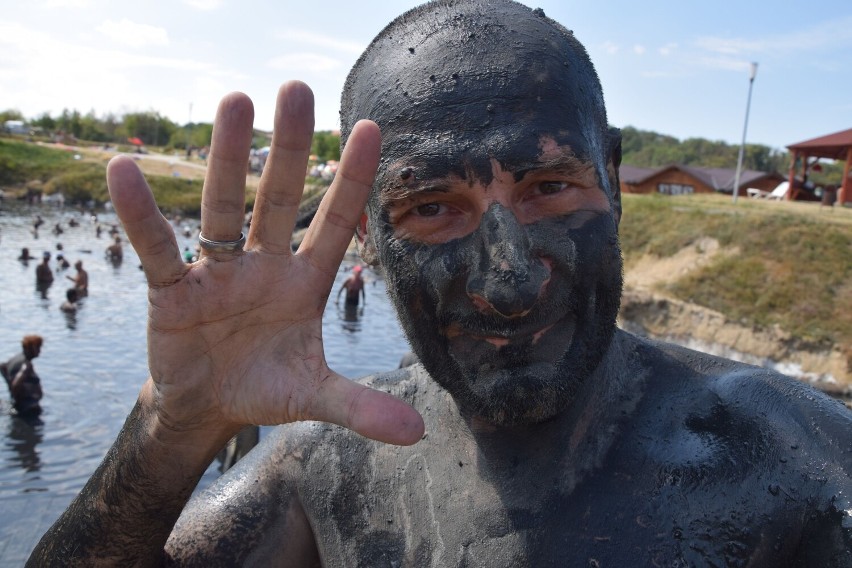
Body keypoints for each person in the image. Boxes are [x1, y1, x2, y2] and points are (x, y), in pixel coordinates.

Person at [30, 2, 851, 565]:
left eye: (551, 189)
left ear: (611, 176)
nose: (508, 282)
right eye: (432, 208)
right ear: (368, 242)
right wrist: (174, 431)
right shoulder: (325, 474)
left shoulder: (790, 457)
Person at [1, 335, 44, 417]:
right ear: (31, 348)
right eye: (38, 348)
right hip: (28, 408)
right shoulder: (26, 366)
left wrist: (9, 386)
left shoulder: (16, 359)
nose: (39, 351)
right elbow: (16, 384)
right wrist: (16, 392)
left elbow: (3, 367)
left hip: (17, 405)